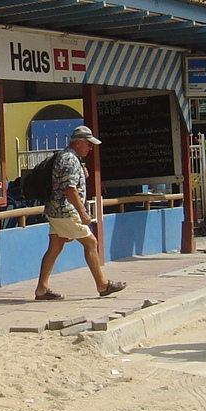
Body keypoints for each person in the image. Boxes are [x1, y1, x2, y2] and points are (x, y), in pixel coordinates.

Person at [33, 125, 125, 301]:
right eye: (88, 145)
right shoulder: (70, 159)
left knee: (55, 247)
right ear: (79, 143)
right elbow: (69, 189)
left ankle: (42, 289)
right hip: (65, 210)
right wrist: (82, 212)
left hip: (55, 209)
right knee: (91, 242)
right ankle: (102, 284)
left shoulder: (66, 157)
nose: (90, 148)